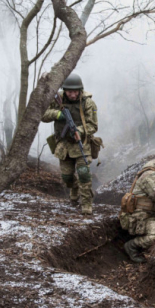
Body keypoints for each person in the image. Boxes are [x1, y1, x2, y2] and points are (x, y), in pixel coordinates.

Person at [42, 73, 97, 215]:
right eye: (69, 91)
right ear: (65, 90)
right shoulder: (58, 99)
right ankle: (74, 189)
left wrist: (79, 130)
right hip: (63, 145)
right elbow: (42, 114)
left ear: (80, 89)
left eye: (75, 91)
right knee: (67, 177)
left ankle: (86, 203)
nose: (72, 94)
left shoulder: (87, 102)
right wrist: (57, 114)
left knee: (84, 173)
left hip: (81, 143)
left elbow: (93, 125)